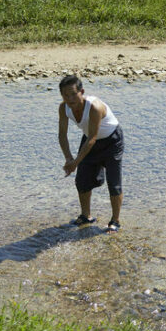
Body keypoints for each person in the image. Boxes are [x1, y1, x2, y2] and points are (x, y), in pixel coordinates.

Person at [58, 75, 124, 232]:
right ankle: (85, 215)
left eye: (73, 94)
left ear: (82, 91)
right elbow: (62, 135)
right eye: (65, 95)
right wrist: (69, 158)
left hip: (112, 140)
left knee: (113, 183)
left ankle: (115, 220)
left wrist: (75, 162)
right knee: (82, 180)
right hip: (89, 139)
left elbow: (93, 138)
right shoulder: (63, 108)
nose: (70, 98)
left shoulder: (94, 107)